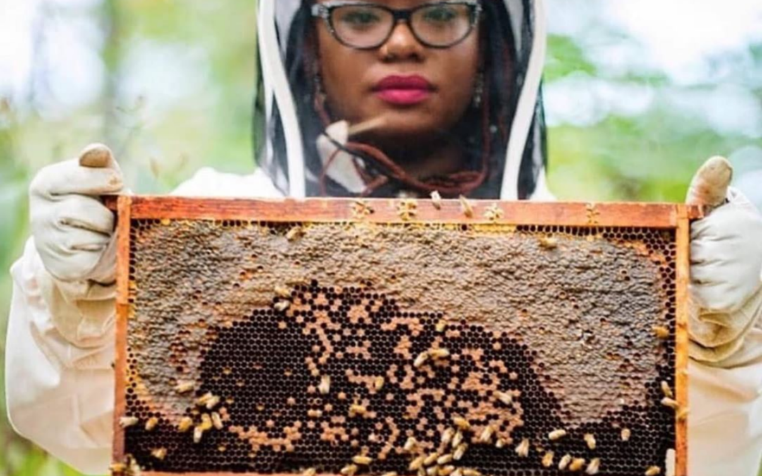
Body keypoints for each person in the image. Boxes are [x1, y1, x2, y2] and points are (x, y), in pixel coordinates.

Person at [5, 0, 761, 475]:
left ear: (495, 41)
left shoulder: (606, 271)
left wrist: (727, 341)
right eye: (361, 15)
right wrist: (78, 301)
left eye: (438, 13)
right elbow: (69, 421)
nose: (401, 43)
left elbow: (718, 453)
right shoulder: (212, 223)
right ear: (307, 42)